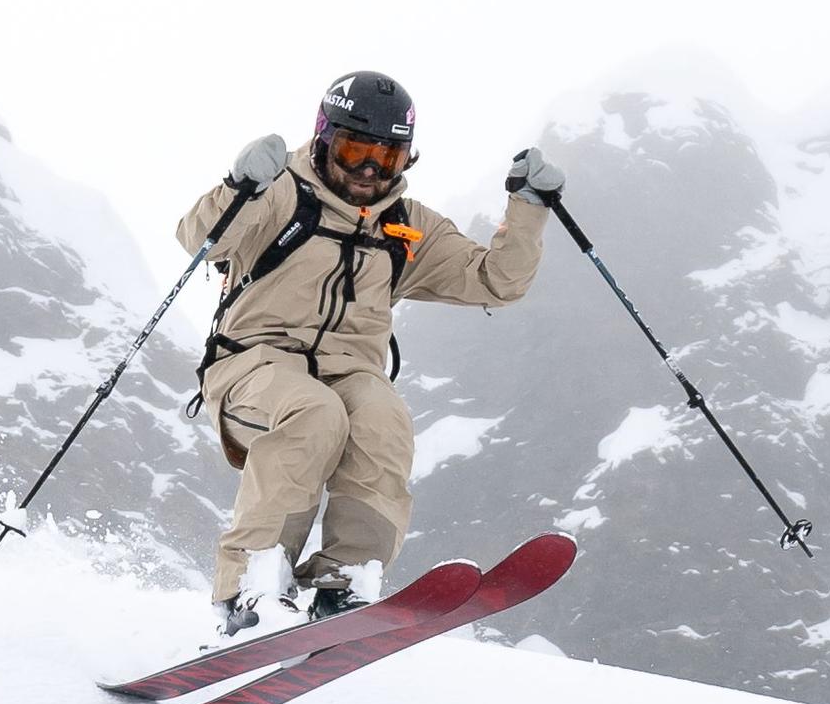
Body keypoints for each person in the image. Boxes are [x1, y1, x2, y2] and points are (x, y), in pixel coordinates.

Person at [176, 71, 557, 639]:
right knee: (315, 414)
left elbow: (497, 280)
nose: (370, 171)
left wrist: (527, 208)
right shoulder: (282, 193)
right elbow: (198, 237)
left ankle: (346, 579)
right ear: (326, 138)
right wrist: (239, 185)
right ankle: (251, 586)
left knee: (382, 420)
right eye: (357, 151)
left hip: (350, 374)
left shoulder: (404, 226)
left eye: (389, 157)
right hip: (252, 366)